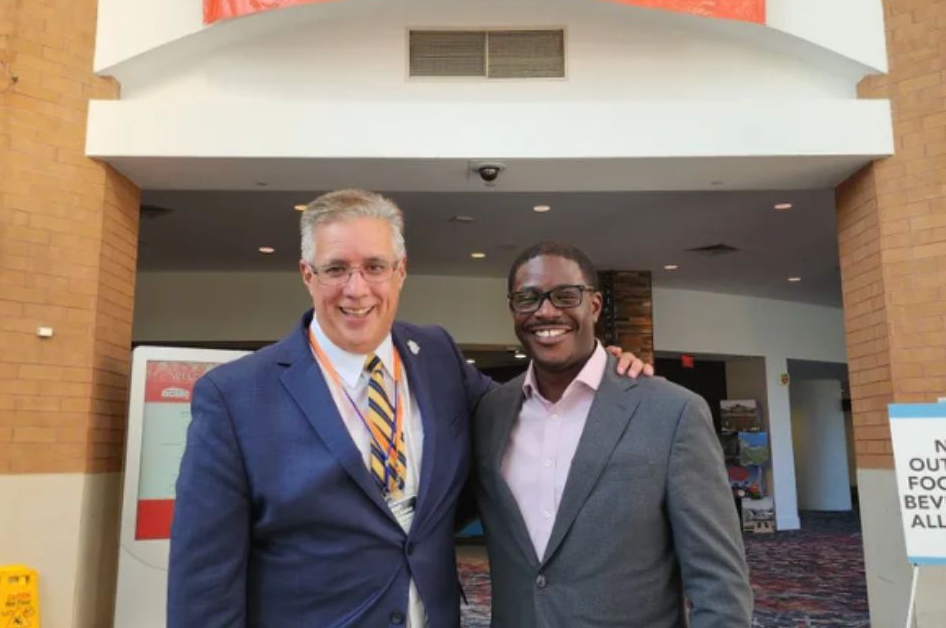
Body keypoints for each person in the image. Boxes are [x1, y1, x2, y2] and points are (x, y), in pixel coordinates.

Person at [167, 189, 648, 628]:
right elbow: (204, 582)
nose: (357, 289)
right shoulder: (234, 397)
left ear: (400, 271)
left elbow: (520, 406)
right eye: (336, 268)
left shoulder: (436, 354)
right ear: (307, 275)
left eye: (375, 266)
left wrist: (600, 367)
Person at [472, 240, 753, 628]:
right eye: (528, 298)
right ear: (513, 309)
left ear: (595, 305)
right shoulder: (491, 413)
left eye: (565, 296)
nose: (546, 310)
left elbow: (719, 582)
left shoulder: (671, 411)